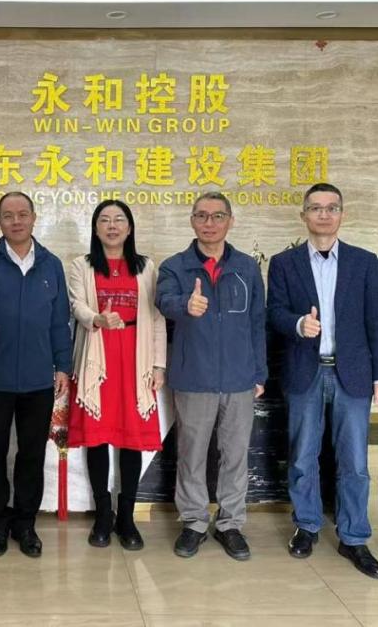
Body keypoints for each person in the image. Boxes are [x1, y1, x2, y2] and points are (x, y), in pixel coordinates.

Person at [266, 183, 378, 579]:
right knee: (302, 456)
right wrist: (297, 324)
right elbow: (274, 313)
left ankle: (354, 536)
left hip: (351, 374)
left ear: (342, 214)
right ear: (304, 215)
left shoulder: (364, 262)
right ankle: (306, 526)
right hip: (305, 370)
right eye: (316, 208)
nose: (324, 214)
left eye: (332, 208)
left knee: (355, 462)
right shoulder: (284, 263)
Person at [156, 191, 266, 561]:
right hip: (194, 377)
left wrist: (259, 372)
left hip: (239, 378)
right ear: (192, 221)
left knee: (235, 455)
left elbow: (257, 323)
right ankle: (194, 522)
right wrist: (185, 305)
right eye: (202, 215)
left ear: (230, 221)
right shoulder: (175, 267)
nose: (209, 223)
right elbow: (163, 302)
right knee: (192, 454)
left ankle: (231, 524)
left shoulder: (247, 267)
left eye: (218, 216)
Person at [0, 191, 72, 558]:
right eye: (8, 216)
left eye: (22, 214)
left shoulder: (51, 264)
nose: (16, 221)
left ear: (33, 217)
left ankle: (25, 522)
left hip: (39, 380)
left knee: (31, 454)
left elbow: (60, 322)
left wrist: (63, 366)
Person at [67, 200, 167, 550]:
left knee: (130, 439)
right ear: (95, 228)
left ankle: (126, 516)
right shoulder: (81, 265)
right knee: (96, 438)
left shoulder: (146, 266)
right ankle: (102, 515)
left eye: (119, 220)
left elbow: (156, 318)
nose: (112, 226)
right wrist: (96, 318)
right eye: (105, 220)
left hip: (135, 358)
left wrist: (158, 365)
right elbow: (76, 304)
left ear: (129, 228)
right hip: (97, 357)